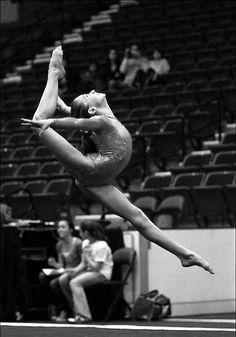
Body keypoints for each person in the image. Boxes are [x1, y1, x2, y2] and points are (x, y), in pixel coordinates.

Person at [21, 46, 214, 277]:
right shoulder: (101, 120)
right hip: (92, 170)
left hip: (96, 175)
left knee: (139, 218)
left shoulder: (101, 120)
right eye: (87, 94)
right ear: (92, 108)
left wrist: (60, 111)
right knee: (38, 122)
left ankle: (184, 254)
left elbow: (76, 117)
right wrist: (53, 122)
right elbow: (77, 122)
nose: (91, 89)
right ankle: (53, 72)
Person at [63, 220, 113, 323]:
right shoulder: (85, 243)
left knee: (75, 282)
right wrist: (73, 271)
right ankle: (75, 312)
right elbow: (83, 264)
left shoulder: (102, 246)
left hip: (102, 274)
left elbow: (96, 268)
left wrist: (86, 255)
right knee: (64, 279)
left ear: (86, 233)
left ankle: (84, 315)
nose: (79, 234)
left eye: (81, 231)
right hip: (89, 271)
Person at [39, 216, 82, 322]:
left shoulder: (78, 243)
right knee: (43, 277)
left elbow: (83, 262)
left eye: (63, 227)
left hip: (76, 271)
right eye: (58, 227)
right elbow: (62, 265)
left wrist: (69, 270)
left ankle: (67, 310)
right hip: (65, 271)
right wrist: (54, 264)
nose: (60, 230)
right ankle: (52, 306)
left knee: (55, 283)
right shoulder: (59, 245)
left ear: (70, 230)